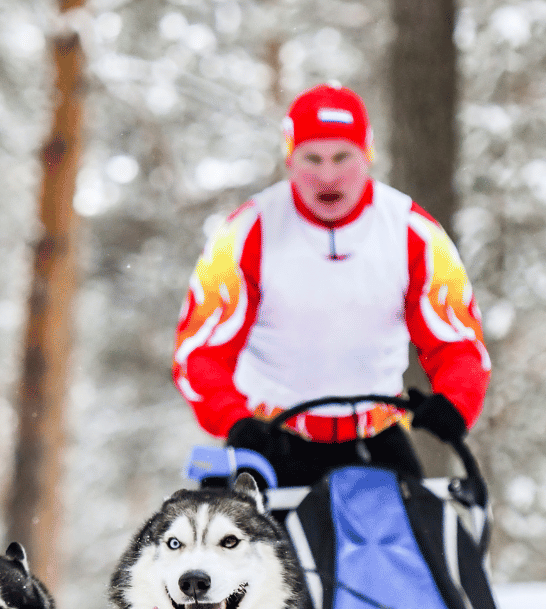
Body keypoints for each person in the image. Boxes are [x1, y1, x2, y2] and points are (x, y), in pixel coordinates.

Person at [171, 84, 491, 487]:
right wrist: (233, 419)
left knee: (425, 547)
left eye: (342, 156)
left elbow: (459, 342)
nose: (327, 175)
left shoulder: (413, 232)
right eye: (312, 158)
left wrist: (454, 402)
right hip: (268, 442)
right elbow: (199, 351)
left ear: (367, 154)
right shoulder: (246, 233)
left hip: (375, 440)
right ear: (290, 159)